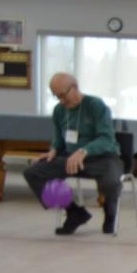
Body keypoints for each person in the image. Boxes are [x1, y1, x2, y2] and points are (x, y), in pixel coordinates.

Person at [24, 73, 122, 235]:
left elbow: (106, 138)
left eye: (63, 95)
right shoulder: (59, 111)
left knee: (111, 180)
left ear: (75, 87)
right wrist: (53, 150)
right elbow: (59, 138)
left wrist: (84, 151)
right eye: (57, 97)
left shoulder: (96, 105)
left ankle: (110, 213)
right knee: (34, 172)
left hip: (102, 156)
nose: (62, 101)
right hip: (70, 158)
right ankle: (74, 212)